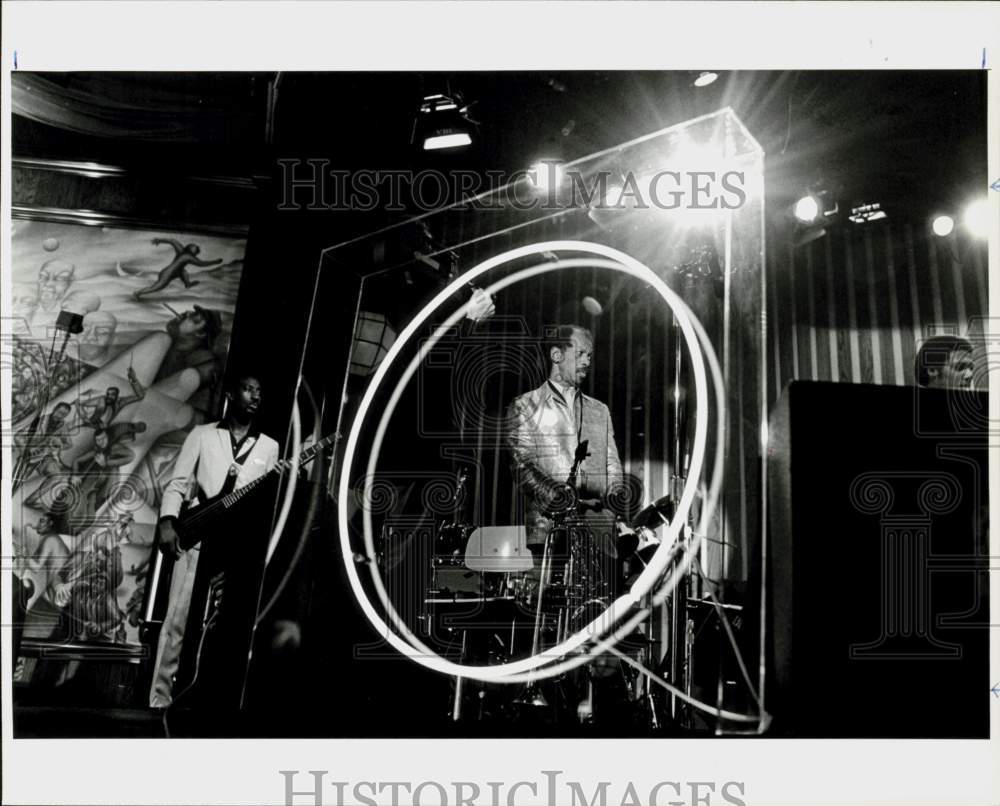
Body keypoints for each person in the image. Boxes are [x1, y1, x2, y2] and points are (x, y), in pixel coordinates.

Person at [148, 374, 279, 708]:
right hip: (197, 538)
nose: (255, 396)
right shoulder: (203, 435)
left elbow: (265, 504)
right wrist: (167, 522)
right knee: (177, 619)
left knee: (222, 626)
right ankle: (158, 700)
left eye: (259, 391)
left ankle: (206, 701)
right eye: (248, 389)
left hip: (236, 546)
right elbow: (179, 483)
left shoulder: (268, 446)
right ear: (232, 394)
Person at [506, 325, 624, 557]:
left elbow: (613, 466)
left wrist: (612, 508)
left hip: (599, 531)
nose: (587, 361)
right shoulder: (525, 405)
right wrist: (565, 504)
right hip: (548, 530)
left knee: (602, 593)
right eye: (580, 354)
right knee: (548, 592)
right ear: (556, 355)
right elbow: (522, 467)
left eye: (589, 356)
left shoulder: (599, 410)